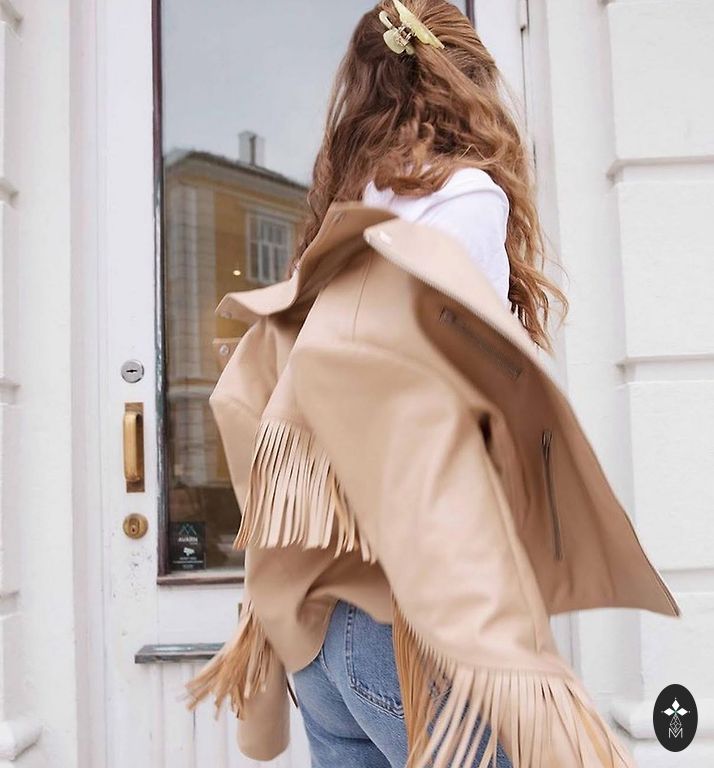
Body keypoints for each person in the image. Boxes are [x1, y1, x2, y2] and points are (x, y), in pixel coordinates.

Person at [186, 2, 679, 767]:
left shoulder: (343, 218)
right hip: (405, 627)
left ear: (362, 91)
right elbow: (428, 415)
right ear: (471, 83)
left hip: (314, 633)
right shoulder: (467, 198)